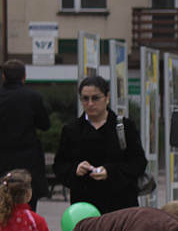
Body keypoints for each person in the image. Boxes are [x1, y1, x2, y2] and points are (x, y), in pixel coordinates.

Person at [53, 75, 147, 215]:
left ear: (107, 97)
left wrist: (109, 171)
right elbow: (60, 166)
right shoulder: (71, 130)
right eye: (85, 98)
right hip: (85, 207)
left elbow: (138, 163)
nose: (90, 103)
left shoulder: (124, 126)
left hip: (121, 205)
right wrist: (75, 170)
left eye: (95, 98)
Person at [0, 60, 50, 210]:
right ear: (24, 77)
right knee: (28, 204)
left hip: (2, 159)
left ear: (3, 77)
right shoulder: (33, 97)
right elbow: (45, 125)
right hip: (28, 160)